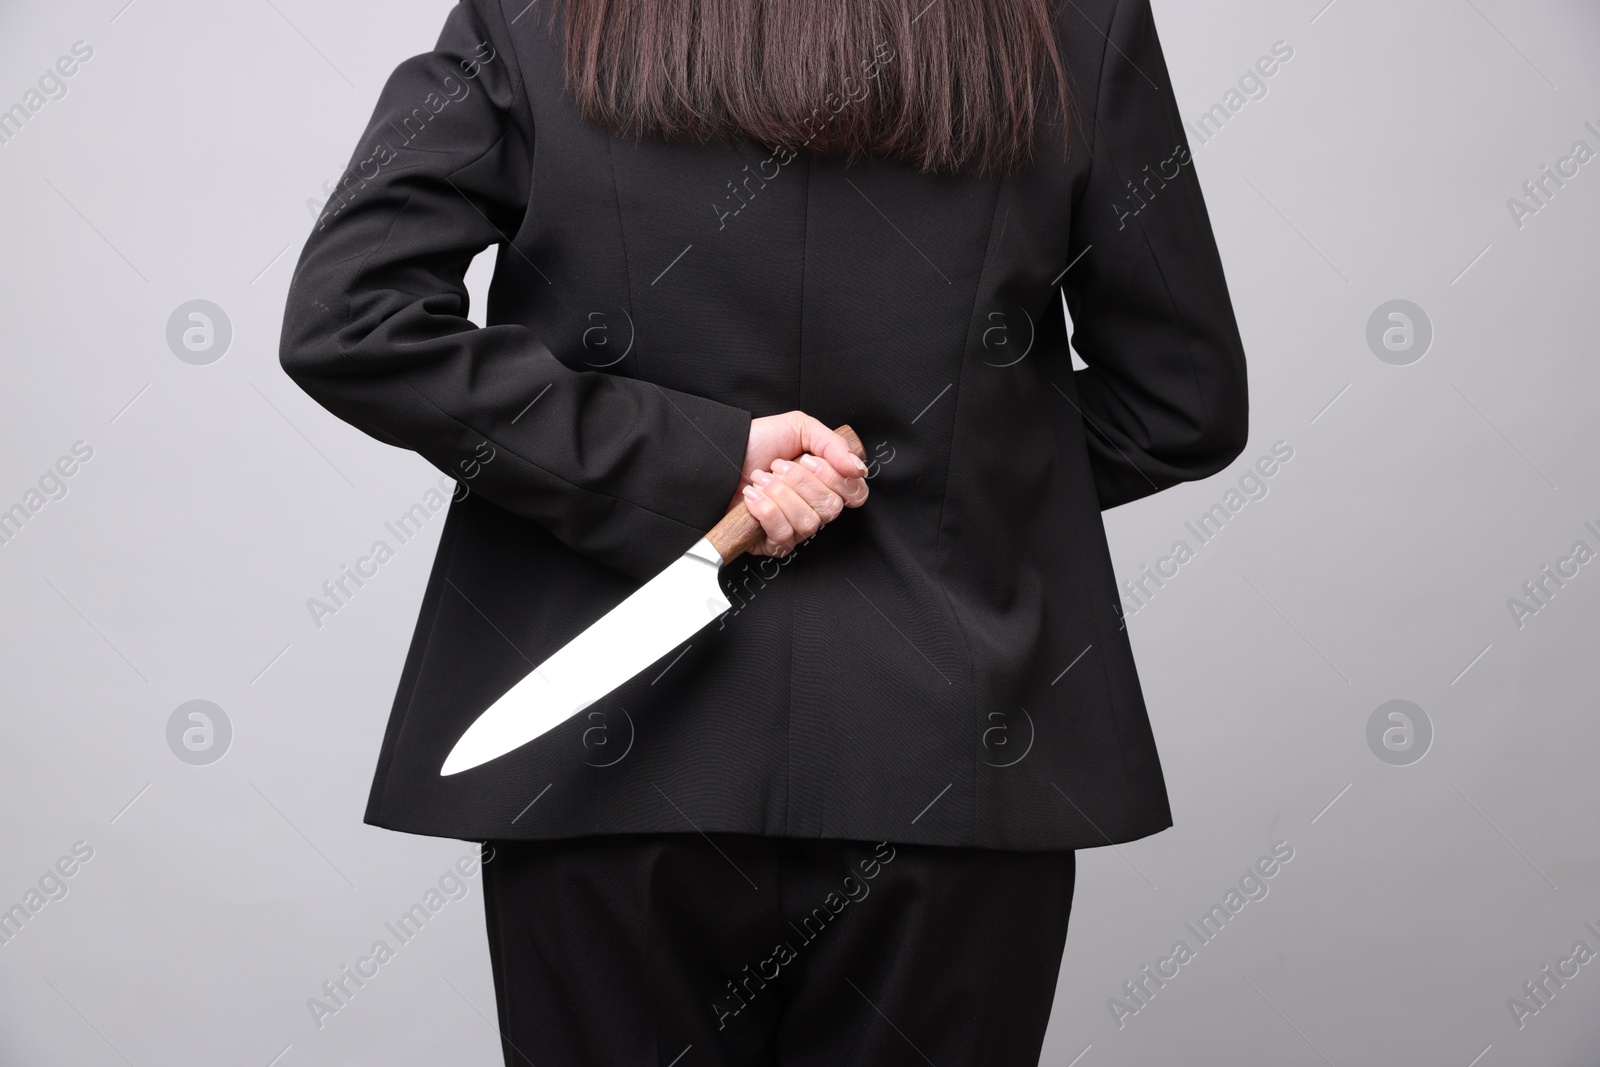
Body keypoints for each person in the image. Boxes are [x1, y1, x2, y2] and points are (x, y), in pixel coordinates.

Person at [278, 0, 1249, 1062]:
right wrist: (928, 481)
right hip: (949, 755)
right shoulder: (1073, 20)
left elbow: (351, 319)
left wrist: (684, 461)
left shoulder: (532, 14)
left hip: (611, 755)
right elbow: (1181, 402)